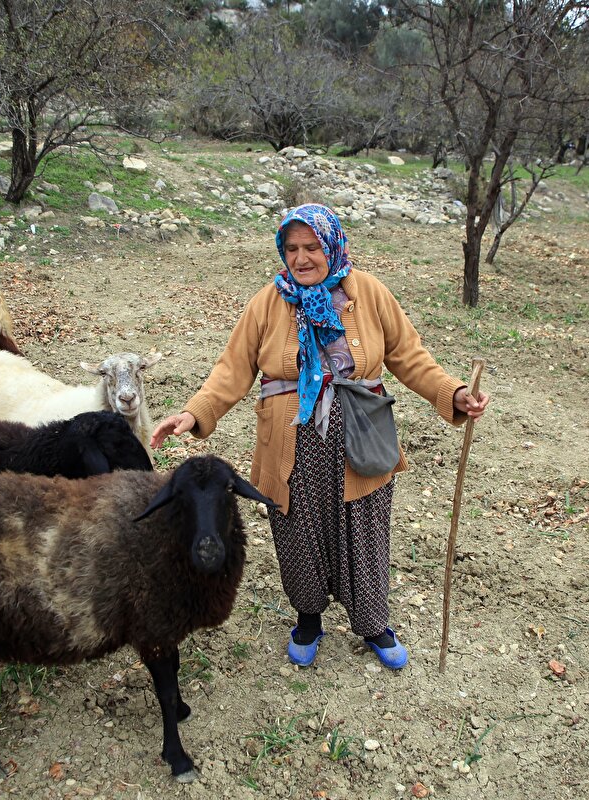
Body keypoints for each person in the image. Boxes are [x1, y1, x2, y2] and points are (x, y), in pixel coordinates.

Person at [150, 203, 490, 670]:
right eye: (292, 249)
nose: (302, 258)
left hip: (360, 434)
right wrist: (194, 413)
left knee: (365, 529)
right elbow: (231, 370)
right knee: (297, 531)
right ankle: (308, 618)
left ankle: (373, 624)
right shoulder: (268, 302)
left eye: (312, 247)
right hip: (291, 439)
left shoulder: (367, 293)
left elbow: (411, 357)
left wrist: (453, 394)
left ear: (332, 245)